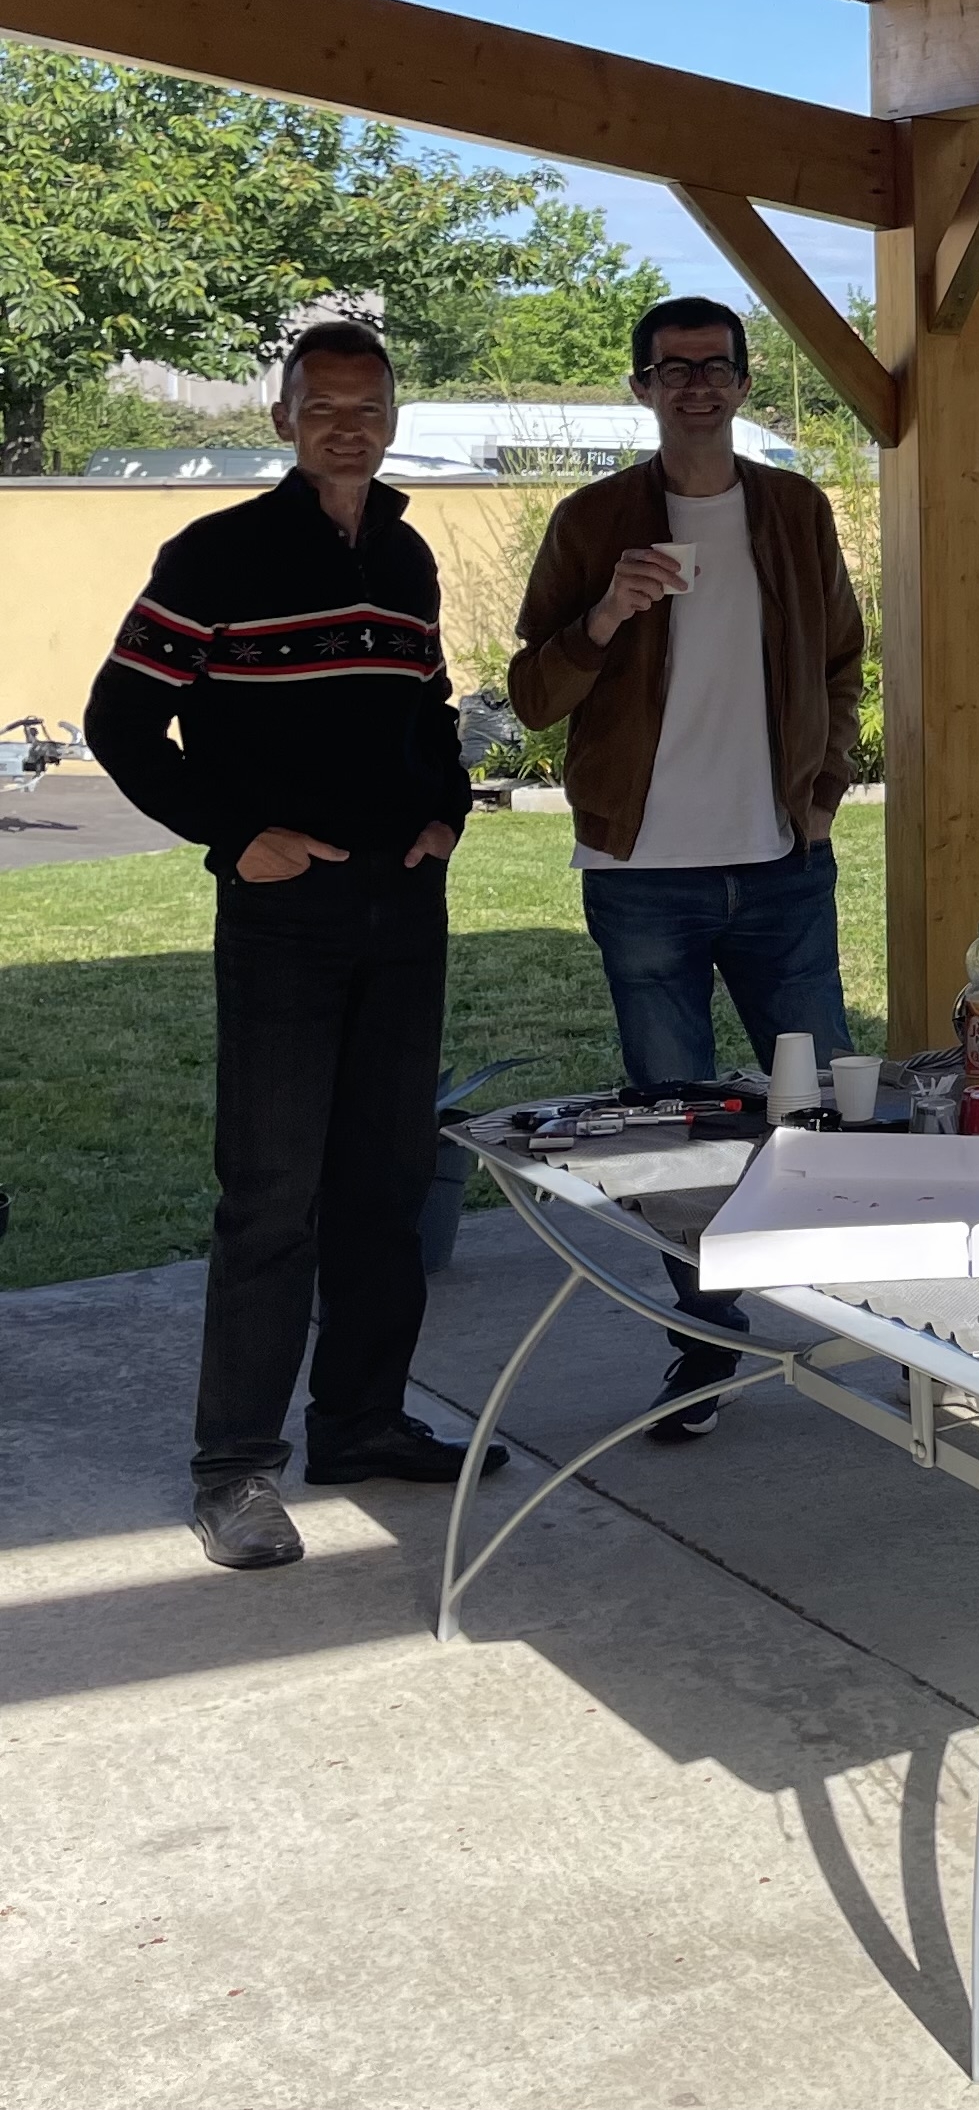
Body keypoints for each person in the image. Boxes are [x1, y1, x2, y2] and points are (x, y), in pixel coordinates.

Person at [86, 320, 495, 1572]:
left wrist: (445, 812)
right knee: (271, 1195)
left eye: (368, 408)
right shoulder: (215, 552)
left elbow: (428, 709)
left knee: (385, 1182)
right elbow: (118, 720)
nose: (347, 428)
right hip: (284, 914)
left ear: (393, 417)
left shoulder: (406, 556)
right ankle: (234, 1473)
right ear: (283, 419)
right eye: (324, 407)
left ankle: (361, 1423)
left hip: (401, 907)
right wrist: (233, 836)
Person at [510, 297, 867, 1442]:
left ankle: (888, 1323)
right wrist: (606, 613)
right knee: (677, 1132)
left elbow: (843, 657)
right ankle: (707, 1343)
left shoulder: (794, 511)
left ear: (745, 383)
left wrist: (823, 790)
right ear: (643, 388)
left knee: (828, 1108)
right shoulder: (592, 520)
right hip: (643, 876)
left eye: (716, 366)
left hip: (781, 867)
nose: (697, 385)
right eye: (674, 369)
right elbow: (532, 693)